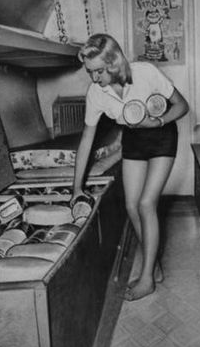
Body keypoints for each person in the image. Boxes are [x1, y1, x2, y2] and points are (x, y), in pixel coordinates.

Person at [71, 33, 189, 301]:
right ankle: (153, 265)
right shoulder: (96, 93)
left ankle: (147, 279)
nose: (94, 78)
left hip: (162, 135)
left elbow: (182, 106)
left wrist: (158, 122)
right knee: (131, 206)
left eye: (99, 71)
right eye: (90, 72)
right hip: (133, 140)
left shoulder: (145, 72)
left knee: (147, 204)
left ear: (114, 62)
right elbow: (86, 140)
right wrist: (76, 188)